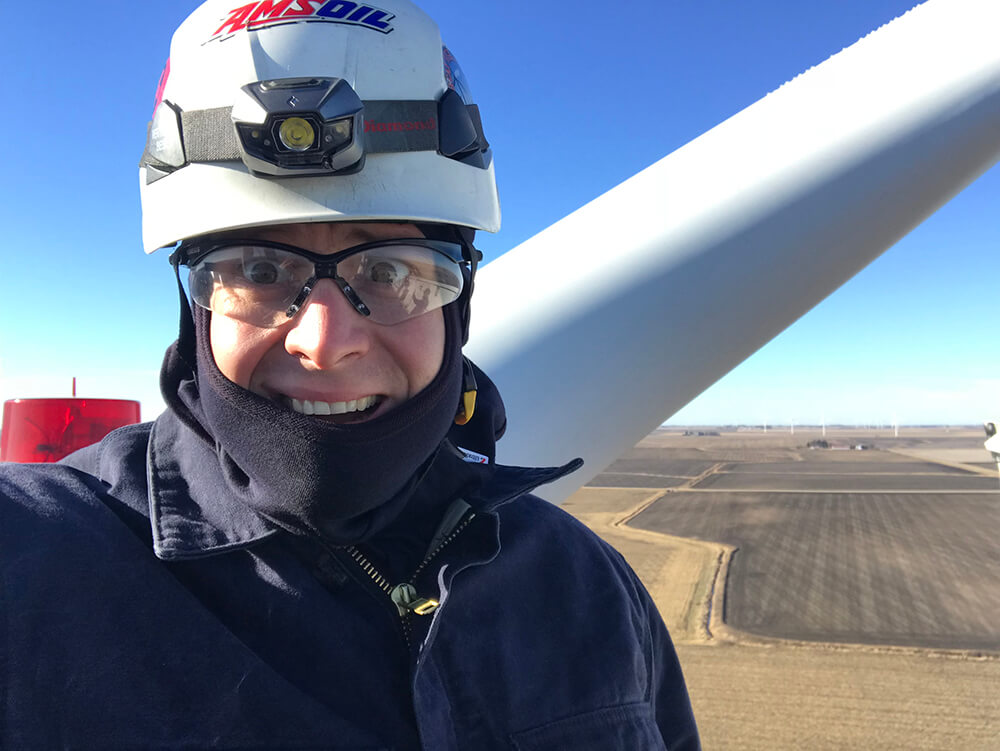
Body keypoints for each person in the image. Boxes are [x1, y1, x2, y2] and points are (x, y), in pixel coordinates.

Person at [0, 1, 700, 748]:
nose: (325, 340)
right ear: (196, 307)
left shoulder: (585, 588)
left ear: (457, 303)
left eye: (392, 269)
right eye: (260, 269)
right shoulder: (36, 560)